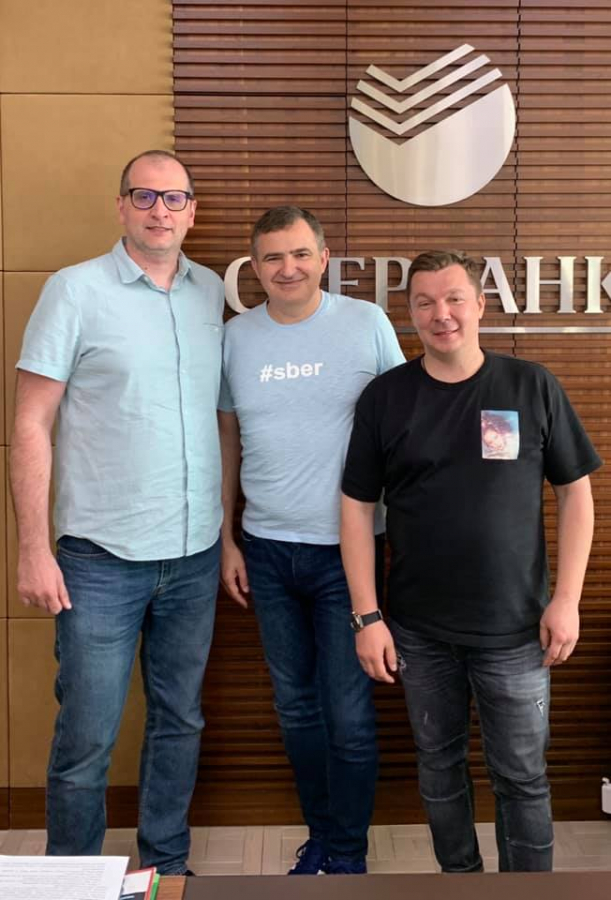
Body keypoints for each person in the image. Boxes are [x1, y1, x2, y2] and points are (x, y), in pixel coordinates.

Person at [341, 250, 601, 873]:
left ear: (481, 305)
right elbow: (355, 508)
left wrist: (567, 599)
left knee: (522, 776)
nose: (442, 314)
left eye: (455, 298)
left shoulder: (530, 385)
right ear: (410, 314)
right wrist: (366, 616)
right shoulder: (386, 398)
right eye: (425, 302)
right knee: (439, 768)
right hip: (420, 630)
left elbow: (576, 494)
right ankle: (460, 882)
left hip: (517, 629)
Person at [10, 150, 225, 875]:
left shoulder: (209, 293)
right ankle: (73, 878)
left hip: (194, 555)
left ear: (192, 212)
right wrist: (33, 549)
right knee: (87, 735)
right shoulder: (74, 291)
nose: (160, 210)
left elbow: (221, 419)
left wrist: (225, 537)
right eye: (144, 196)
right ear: (121, 206)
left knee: (180, 720)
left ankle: (166, 867)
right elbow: (30, 423)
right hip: (99, 559)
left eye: (174, 198)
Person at [218, 206, 404, 874]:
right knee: (295, 709)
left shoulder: (366, 324)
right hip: (266, 552)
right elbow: (228, 440)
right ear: (254, 267)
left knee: (348, 715)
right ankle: (320, 837)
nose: (287, 268)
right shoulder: (236, 337)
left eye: (300, 254)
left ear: (324, 258)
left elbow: (404, 424)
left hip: (349, 554)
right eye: (272, 257)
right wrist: (227, 538)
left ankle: (347, 855)